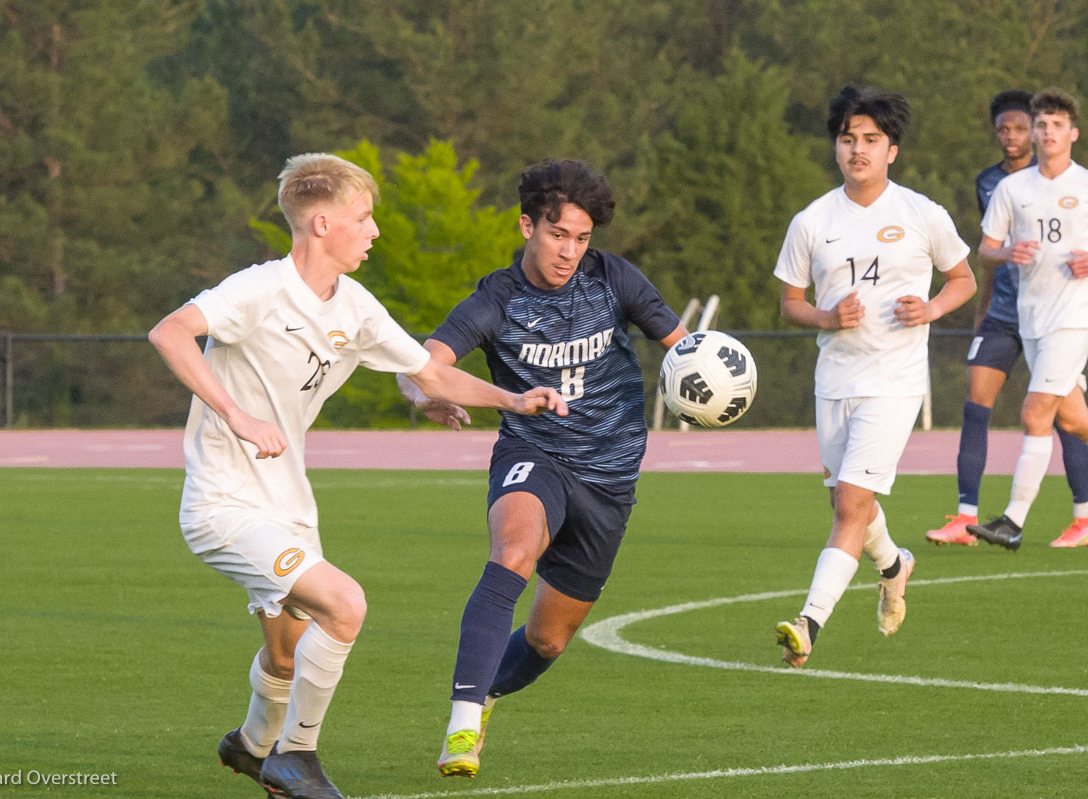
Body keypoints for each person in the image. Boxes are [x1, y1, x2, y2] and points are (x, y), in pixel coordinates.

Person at [149, 153, 567, 799]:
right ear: (321, 223)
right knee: (345, 605)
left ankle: (252, 745)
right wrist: (233, 413)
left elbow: (423, 371)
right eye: (363, 217)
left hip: (289, 505)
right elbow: (170, 332)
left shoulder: (356, 306)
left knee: (287, 656)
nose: (374, 231)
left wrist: (509, 399)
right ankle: (297, 756)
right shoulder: (258, 289)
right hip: (223, 505)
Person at [396, 158, 686, 778]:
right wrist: (425, 393)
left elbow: (686, 350)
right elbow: (420, 363)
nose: (569, 252)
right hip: (534, 455)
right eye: (558, 235)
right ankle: (461, 725)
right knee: (513, 553)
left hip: (610, 481)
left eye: (581, 239)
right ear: (527, 226)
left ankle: (490, 692)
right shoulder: (498, 298)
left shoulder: (615, 280)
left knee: (547, 641)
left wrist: (712, 384)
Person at [772, 86, 976, 668]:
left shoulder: (921, 213)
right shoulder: (812, 221)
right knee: (848, 501)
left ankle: (808, 624)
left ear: (892, 150)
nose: (857, 150)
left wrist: (932, 308)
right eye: (847, 139)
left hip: (896, 381)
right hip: (834, 379)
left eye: (870, 140)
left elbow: (963, 279)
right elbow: (791, 302)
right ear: (836, 147)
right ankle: (893, 565)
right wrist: (827, 316)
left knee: (850, 505)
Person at [966, 89, 1088, 551]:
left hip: (1074, 316)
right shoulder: (1011, 189)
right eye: (1042, 124)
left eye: (1057, 125)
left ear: (1073, 134)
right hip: (1031, 318)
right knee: (1076, 418)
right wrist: (1007, 252)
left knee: (1034, 411)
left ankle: (1012, 520)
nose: (1048, 133)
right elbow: (986, 250)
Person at [927, 90, 1088, 548]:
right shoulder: (990, 182)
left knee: (1066, 415)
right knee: (975, 401)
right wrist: (983, 307)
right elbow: (992, 249)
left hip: (1054, 314)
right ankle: (965, 516)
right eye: (1004, 129)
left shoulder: (1058, 181)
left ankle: (1084, 517)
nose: (1012, 136)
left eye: (1021, 128)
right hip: (1005, 313)